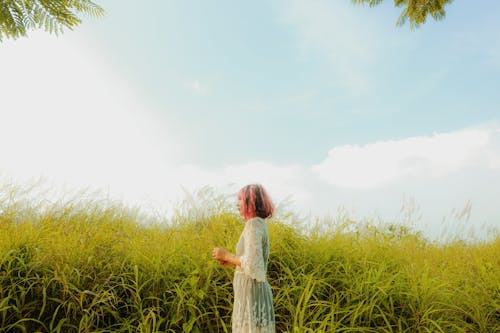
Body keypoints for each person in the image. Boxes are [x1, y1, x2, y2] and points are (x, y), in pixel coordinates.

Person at [212, 184, 276, 333]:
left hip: (251, 295)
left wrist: (227, 255)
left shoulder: (253, 225)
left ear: (250, 202)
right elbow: (253, 262)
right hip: (252, 292)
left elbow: (254, 264)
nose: (237, 204)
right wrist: (229, 262)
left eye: (240, 200)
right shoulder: (258, 224)